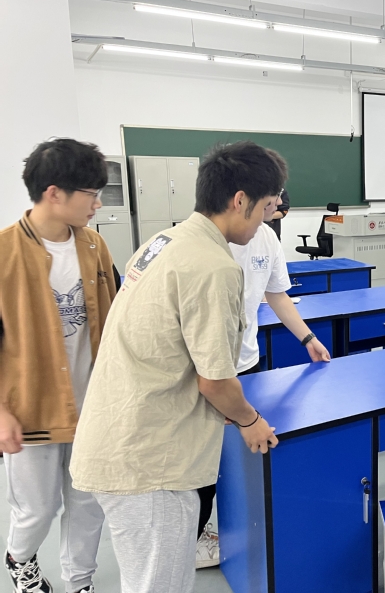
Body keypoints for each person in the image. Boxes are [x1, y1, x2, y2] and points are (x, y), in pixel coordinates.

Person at [70, 141, 285, 593]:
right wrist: (250, 421)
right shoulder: (213, 267)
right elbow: (215, 381)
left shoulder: (164, 241)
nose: (268, 219)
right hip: (150, 464)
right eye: (267, 206)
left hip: (119, 437)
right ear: (240, 200)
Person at [0, 138, 116, 593]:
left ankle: (79, 580)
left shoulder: (95, 246)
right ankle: (20, 558)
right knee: (38, 508)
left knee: (88, 503)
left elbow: (113, 321)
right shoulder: (4, 253)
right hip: (32, 407)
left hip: (94, 406)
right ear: (54, 193)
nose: (97, 203)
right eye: (91, 194)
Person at [195, 197, 331, 569]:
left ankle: (243, 527)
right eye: (271, 200)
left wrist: (307, 338)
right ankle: (194, 534)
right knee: (205, 461)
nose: (278, 206)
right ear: (245, 198)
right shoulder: (205, 241)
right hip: (207, 371)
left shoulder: (266, 237)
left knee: (245, 456)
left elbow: (276, 294)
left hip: (247, 363)